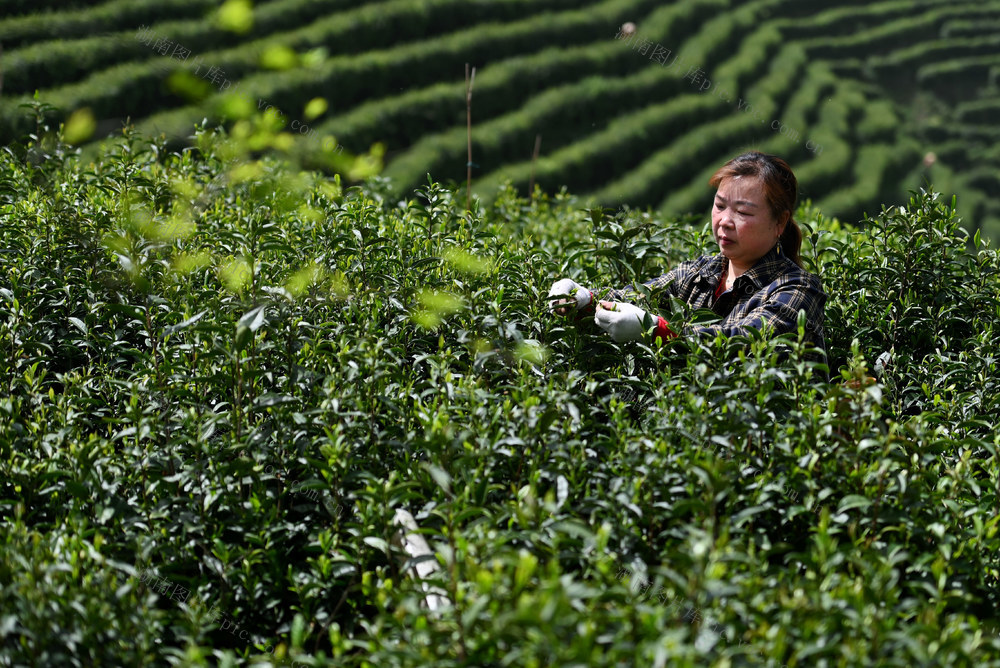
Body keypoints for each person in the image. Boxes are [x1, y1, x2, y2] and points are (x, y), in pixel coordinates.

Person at [549, 151, 827, 357]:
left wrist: (655, 330)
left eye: (742, 212)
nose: (725, 221)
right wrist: (584, 299)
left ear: (779, 222)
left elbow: (740, 344)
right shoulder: (701, 273)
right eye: (720, 206)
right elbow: (639, 295)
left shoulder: (798, 289)